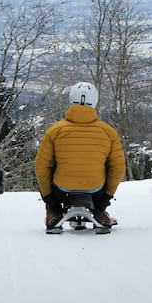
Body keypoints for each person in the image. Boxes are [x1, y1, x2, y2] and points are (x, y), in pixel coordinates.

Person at [34, 82, 126, 229]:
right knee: (108, 165)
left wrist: (49, 199)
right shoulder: (108, 132)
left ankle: (53, 213)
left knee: (49, 166)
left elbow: (40, 166)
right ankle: (100, 213)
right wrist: (106, 198)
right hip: (96, 190)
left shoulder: (55, 130)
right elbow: (119, 167)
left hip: (61, 190)